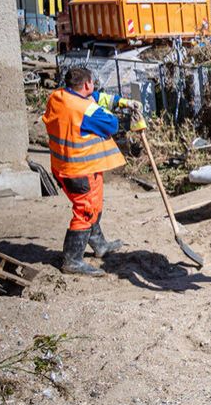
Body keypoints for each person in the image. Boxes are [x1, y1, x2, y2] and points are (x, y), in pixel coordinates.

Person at [43, 66, 141, 276]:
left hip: (63, 166)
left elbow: (95, 97)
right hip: (81, 169)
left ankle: (99, 244)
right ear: (87, 84)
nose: (94, 88)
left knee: (93, 206)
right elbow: (112, 124)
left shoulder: (58, 97)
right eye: (92, 84)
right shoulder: (87, 111)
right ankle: (72, 260)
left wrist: (122, 102)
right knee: (85, 211)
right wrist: (120, 113)